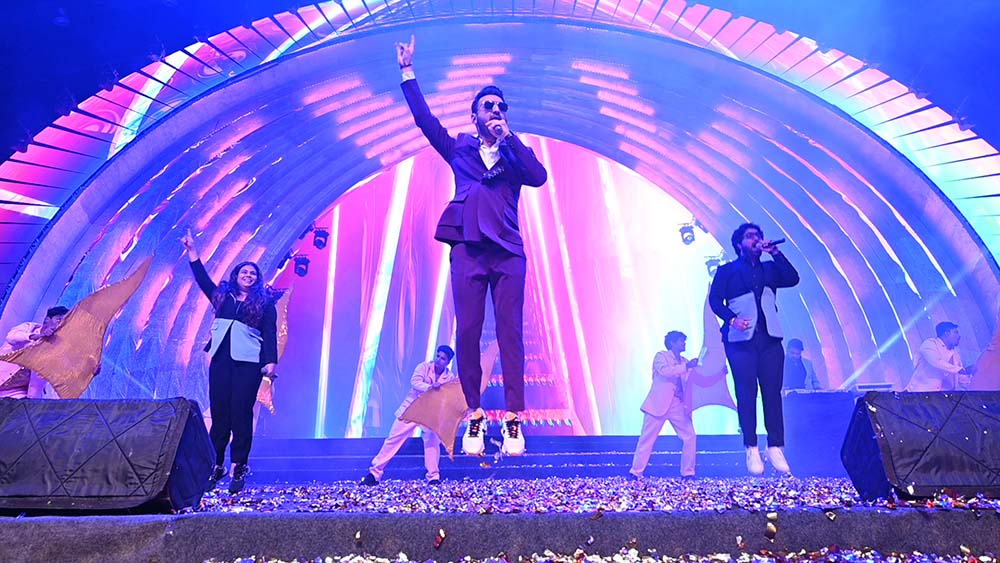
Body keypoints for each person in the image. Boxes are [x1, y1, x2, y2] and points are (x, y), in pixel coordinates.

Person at [394, 36, 548, 457]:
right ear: (474, 115)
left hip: (507, 248)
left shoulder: (516, 154)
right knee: (468, 329)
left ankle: (514, 418)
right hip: (467, 246)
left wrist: (509, 138)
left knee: (510, 330)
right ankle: (475, 413)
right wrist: (408, 72)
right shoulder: (459, 147)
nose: (496, 111)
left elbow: (538, 177)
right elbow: (425, 121)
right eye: (488, 107)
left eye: (501, 107)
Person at [181, 229, 279, 494]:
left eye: (252, 274)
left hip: (248, 362)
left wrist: (271, 362)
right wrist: (193, 253)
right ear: (236, 275)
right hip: (222, 359)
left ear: (257, 279)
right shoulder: (223, 297)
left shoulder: (264, 303)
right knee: (220, 412)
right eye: (244, 272)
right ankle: (215, 464)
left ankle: (238, 466)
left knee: (241, 413)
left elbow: (270, 333)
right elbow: (203, 280)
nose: (248, 276)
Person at [709, 223, 799, 475]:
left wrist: (776, 253)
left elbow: (793, 278)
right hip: (740, 342)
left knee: (772, 393)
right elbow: (715, 300)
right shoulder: (727, 271)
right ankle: (751, 447)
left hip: (769, 340)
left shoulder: (770, 268)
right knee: (746, 393)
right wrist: (731, 319)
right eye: (750, 236)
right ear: (739, 244)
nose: (756, 239)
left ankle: (775, 446)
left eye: (758, 236)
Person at [360, 345, 457, 485]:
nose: (438, 360)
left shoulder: (449, 377)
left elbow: (446, 397)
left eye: (443, 358)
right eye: (438, 356)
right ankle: (374, 473)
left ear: (448, 362)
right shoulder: (423, 367)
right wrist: (430, 387)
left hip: (431, 414)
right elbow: (415, 382)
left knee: (432, 443)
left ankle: (433, 477)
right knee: (393, 439)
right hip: (411, 409)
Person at [629, 331, 698, 479]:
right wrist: (686, 367)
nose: (684, 343)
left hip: (678, 404)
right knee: (647, 438)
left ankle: (688, 472)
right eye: (681, 341)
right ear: (672, 343)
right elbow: (665, 371)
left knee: (690, 436)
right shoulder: (661, 356)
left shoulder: (685, 361)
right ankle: (636, 471)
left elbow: (695, 379)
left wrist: (718, 374)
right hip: (658, 404)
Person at [0, 306, 69, 399]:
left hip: (14, 392)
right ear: (47, 320)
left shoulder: (54, 350)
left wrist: (31, 402)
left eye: (65, 323)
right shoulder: (29, 327)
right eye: (58, 320)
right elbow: (11, 338)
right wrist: (38, 336)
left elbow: (37, 384)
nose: (61, 324)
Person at [906, 321, 976, 392]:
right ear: (946, 333)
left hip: (943, 396)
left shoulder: (955, 355)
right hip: (921, 393)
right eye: (956, 332)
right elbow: (936, 362)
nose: (959, 336)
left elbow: (958, 377)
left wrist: (971, 376)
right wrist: (960, 370)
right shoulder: (930, 344)